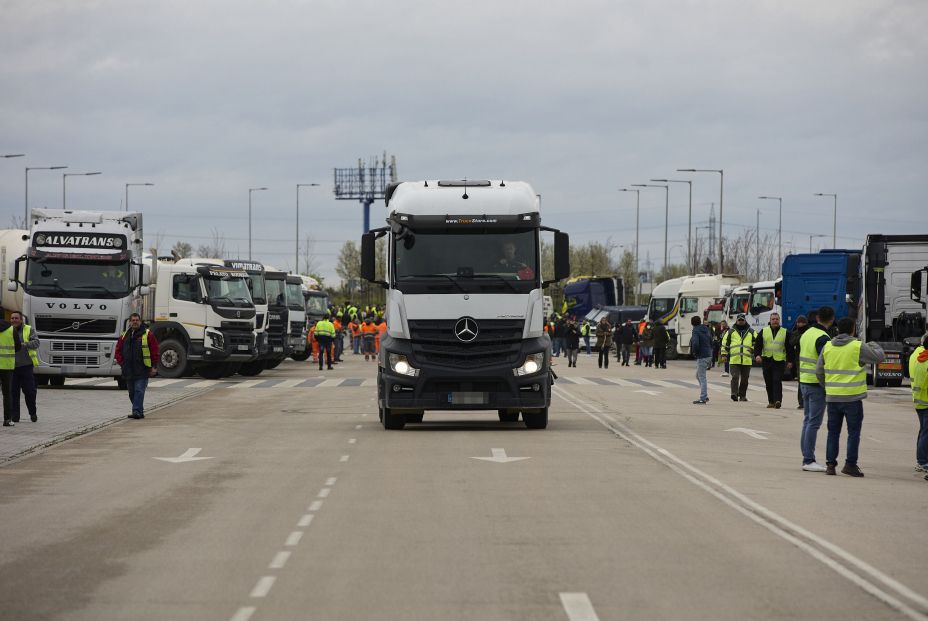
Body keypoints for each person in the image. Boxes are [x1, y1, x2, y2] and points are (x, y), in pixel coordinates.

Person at [816, 316, 885, 477]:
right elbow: (879, 357)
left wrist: (828, 387)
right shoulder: (857, 346)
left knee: (833, 432)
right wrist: (873, 343)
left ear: (838, 329)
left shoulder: (828, 346)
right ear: (853, 329)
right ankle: (850, 465)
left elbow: (819, 372)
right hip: (852, 399)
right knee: (853, 432)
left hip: (833, 398)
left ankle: (830, 465)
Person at [798, 305, 835, 472]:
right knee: (814, 422)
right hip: (816, 384)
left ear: (817, 318)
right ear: (832, 320)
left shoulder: (807, 333)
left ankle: (806, 456)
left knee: (807, 421)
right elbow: (825, 361)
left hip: (804, 381)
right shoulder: (823, 337)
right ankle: (808, 459)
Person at [114, 313, 160, 420]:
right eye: (133, 320)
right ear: (129, 322)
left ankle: (136, 411)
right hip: (128, 370)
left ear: (140, 321)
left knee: (139, 390)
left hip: (142, 369)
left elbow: (155, 351)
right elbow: (118, 351)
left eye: (137, 320)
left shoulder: (148, 334)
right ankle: (139, 410)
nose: (135, 322)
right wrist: (122, 363)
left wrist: (154, 366)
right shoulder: (124, 336)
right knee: (132, 393)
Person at [9, 312, 40, 423]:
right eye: (12, 318)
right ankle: (15, 416)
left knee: (29, 392)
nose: (14, 320)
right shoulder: (7, 331)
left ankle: (33, 413)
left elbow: (36, 343)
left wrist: (24, 344)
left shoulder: (28, 329)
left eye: (16, 318)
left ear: (21, 320)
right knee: (13, 393)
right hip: (12, 367)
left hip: (26, 366)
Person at [754, 312, 789, 408]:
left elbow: (789, 348)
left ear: (779, 320)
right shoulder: (764, 331)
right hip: (767, 360)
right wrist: (757, 355)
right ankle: (771, 401)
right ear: (770, 321)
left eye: (777, 319)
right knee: (768, 382)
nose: (775, 321)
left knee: (777, 380)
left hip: (779, 360)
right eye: (773, 319)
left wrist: (790, 361)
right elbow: (758, 345)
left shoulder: (785, 332)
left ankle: (778, 400)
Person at [908, 332, 928, 479]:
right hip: (925, 400)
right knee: (925, 433)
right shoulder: (925, 360)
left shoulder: (917, 354)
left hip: (919, 400)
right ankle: (923, 461)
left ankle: (921, 460)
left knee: (923, 431)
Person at [721, 314, 754, 402]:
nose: (740, 321)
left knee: (744, 379)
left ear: (745, 321)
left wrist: (753, 350)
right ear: (736, 321)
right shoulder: (731, 331)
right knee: (735, 377)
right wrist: (724, 355)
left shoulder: (751, 331)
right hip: (734, 359)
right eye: (739, 320)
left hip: (746, 360)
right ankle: (734, 394)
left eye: (742, 320)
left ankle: (742, 395)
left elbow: (757, 343)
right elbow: (724, 343)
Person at [690, 315, 713, 405]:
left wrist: (695, 352)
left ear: (692, 323)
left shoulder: (695, 330)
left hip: (702, 355)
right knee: (698, 376)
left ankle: (703, 398)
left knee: (702, 377)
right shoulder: (706, 329)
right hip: (708, 354)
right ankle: (705, 396)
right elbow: (711, 340)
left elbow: (695, 343)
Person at [788, 315, 809, 410]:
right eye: (798, 323)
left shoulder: (809, 332)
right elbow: (792, 342)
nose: (799, 324)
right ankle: (801, 402)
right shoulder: (796, 333)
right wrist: (802, 336)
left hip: (809, 359)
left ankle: (808, 401)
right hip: (799, 360)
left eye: (801, 323)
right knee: (801, 381)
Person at [0, 316, 16, 426]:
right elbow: (18, 346)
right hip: (7, 366)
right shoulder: (11, 329)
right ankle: (7, 420)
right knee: (7, 394)